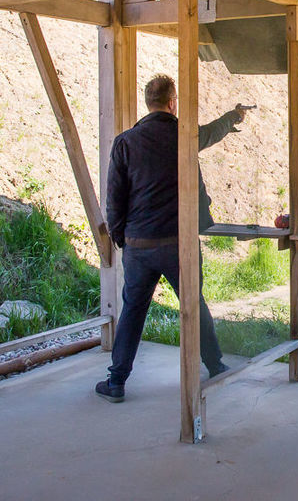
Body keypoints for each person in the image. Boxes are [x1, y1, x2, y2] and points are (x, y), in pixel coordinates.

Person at [95, 74, 252, 403]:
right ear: (172, 102)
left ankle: (117, 381)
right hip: (178, 243)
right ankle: (215, 364)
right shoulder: (184, 136)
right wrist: (233, 117)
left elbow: (114, 201)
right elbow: (212, 132)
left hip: (139, 245)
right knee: (195, 305)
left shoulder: (125, 142)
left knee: (133, 311)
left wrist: (124, 239)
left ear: (148, 103)